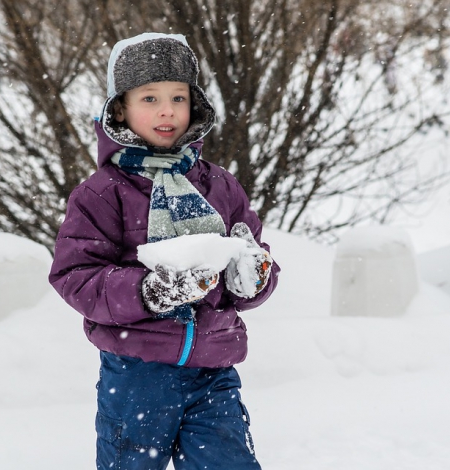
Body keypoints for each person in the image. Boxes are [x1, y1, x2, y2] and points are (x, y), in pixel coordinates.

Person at [48, 32, 279, 470]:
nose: (167, 110)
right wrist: (147, 291)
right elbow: (75, 276)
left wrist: (252, 278)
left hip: (214, 367)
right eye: (149, 98)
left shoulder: (219, 185)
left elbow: (253, 258)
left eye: (178, 97)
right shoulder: (102, 193)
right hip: (136, 371)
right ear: (120, 109)